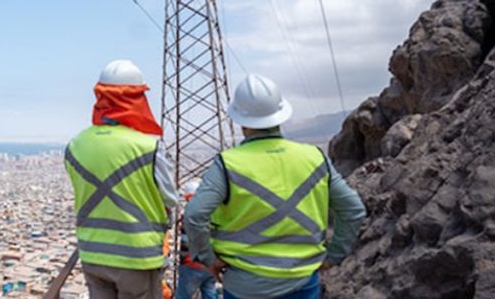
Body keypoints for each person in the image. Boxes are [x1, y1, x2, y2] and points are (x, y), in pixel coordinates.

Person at [184, 74, 366, 299]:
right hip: (302, 282)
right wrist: (333, 256)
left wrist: (208, 259)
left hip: (244, 286)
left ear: (241, 122)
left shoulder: (227, 163)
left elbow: (194, 215)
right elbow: (353, 209)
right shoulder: (315, 157)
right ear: (280, 115)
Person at [65, 60, 179, 299]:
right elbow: (170, 198)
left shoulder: (76, 145)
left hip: (92, 252)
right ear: (137, 99)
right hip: (137, 255)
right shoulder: (148, 146)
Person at [174, 179, 217, 299]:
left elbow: (188, 240)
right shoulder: (211, 211)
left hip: (191, 264)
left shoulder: (189, 213)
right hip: (210, 263)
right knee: (210, 293)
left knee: (183, 295)